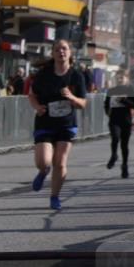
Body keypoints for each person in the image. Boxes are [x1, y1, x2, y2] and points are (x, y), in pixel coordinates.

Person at [28, 39, 86, 210]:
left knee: (60, 162)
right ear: (53, 53)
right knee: (44, 162)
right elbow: (31, 95)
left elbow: (82, 104)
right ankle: (43, 171)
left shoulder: (76, 76)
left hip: (66, 123)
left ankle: (54, 197)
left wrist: (71, 97)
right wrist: (37, 107)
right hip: (45, 121)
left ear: (70, 53)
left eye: (65, 49)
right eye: (57, 49)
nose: (61, 52)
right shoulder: (44, 74)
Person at [104, 70, 134, 179]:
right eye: (118, 78)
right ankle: (114, 155)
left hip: (126, 120)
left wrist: (125, 101)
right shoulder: (111, 90)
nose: (119, 80)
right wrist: (107, 112)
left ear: (126, 79)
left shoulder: (130, 90)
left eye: (122, 78)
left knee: (124, 145)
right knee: (115, 138)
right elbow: (106, 103)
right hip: (114, 119)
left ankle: (124, 166)